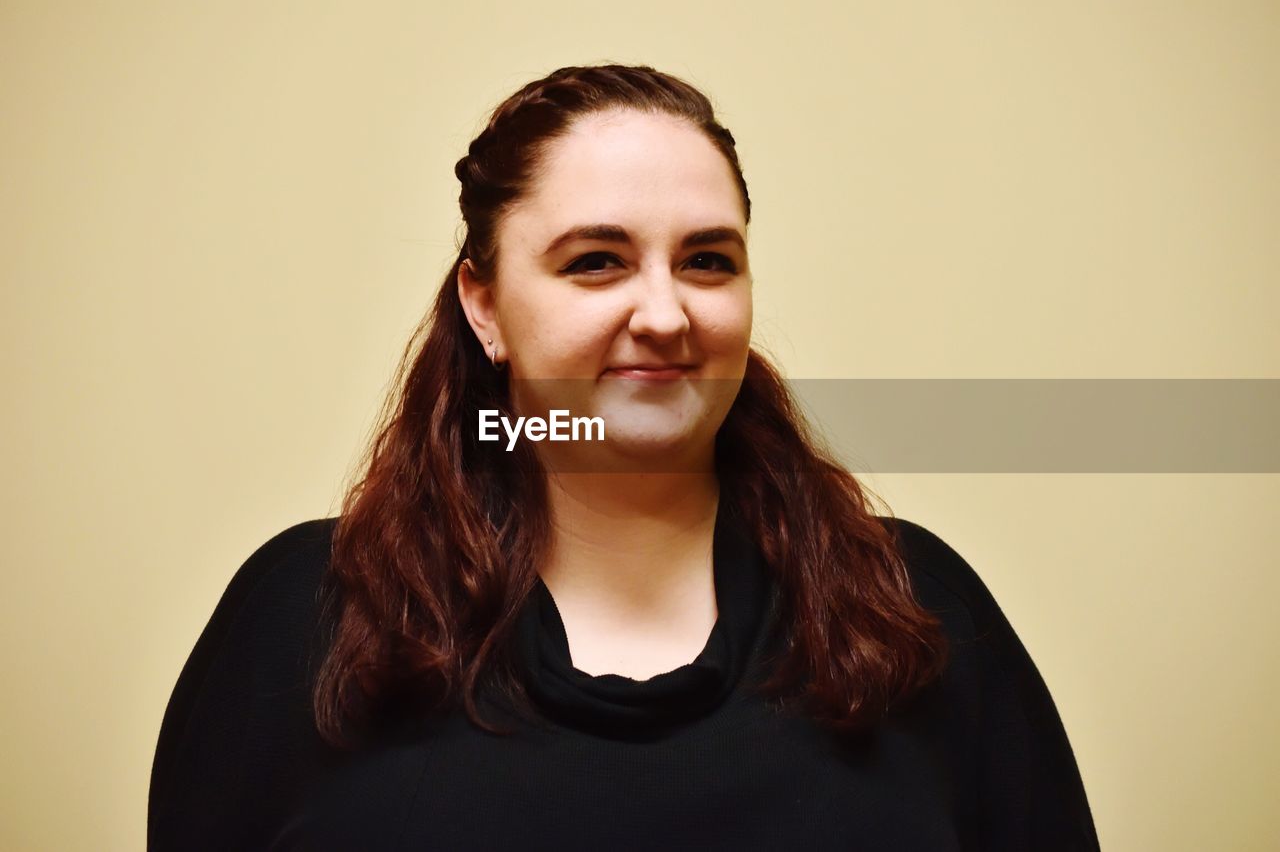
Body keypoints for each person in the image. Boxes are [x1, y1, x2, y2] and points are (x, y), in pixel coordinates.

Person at [147, 63, 1101, 851]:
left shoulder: (916, 610)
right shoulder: (301, 619)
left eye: (707, 260)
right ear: (484, 305)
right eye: (596, 261)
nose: (664, 313)